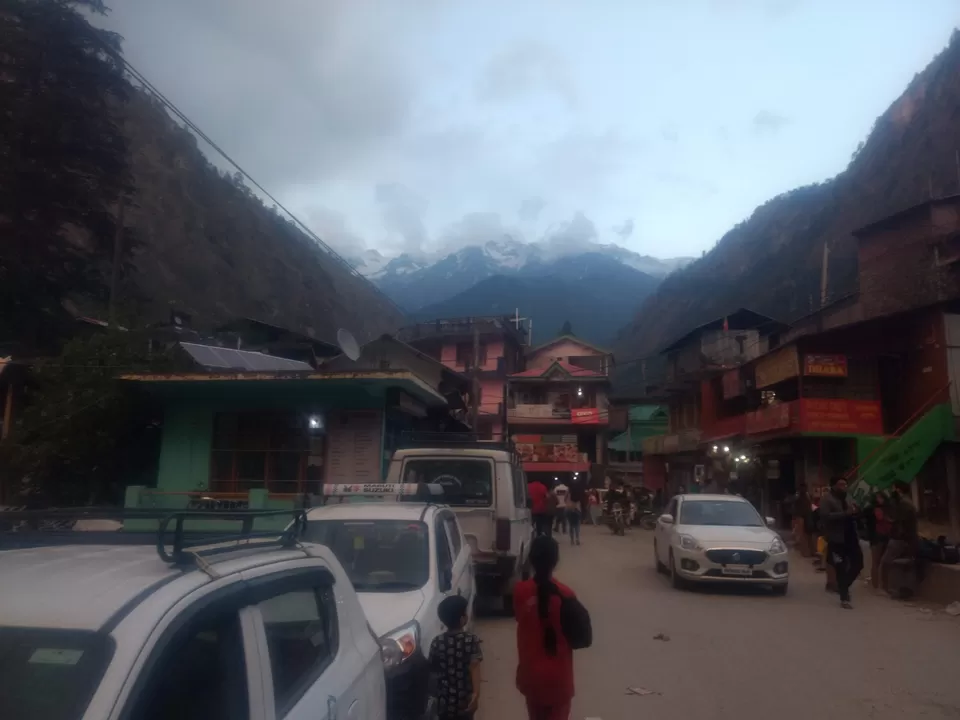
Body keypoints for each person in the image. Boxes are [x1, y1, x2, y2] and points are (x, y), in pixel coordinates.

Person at [514, 535, 581, 720]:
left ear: (532, 559)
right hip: (559, 678)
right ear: (556, 561)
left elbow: (520, 618)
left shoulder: (520, 591)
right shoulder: (566, 594)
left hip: (531, 676)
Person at [428, 595, 483, 719]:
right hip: (465, 700)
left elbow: (432, 672)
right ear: (463, 619)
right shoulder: (470, 640)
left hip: (444, 701)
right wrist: (476, 694)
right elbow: (474, 667)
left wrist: (434, 696)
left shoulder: (437, 641)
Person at [819, 476, 863, 609]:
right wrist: (845, 513)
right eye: (840, 484)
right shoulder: (827, 499)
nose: (843, 487)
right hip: (836, 538)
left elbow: (853, 513)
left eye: (845, 484)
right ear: (834, 486)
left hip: (851, 537)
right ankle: (844, 597)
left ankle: (843, 586)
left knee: (858, 564)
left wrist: (856, 512)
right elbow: (826, 517)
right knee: (841, 567)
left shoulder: (848, 498)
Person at [881, 480, 920, 597]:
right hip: (909, 538)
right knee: (905, 565)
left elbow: (897, 521)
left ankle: (885, 588)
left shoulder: (903, 504)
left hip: (900, 539)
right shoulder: (908, 502)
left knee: (885, 563)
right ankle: (904, 589)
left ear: (898, 490)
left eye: (893, 489)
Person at [867, 491, 893, 590]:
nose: (880, 500)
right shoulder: (873, 509)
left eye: (881, 497)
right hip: (876, 537)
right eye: (878, 497)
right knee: (876, 561)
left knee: (882, 562)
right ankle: (875, 585)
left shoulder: (886, 508)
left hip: (885, 536)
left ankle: (882, 585)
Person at [792, 484, 814, 558]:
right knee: (802, 535)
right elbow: (795, 506)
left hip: (808, 515)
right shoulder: (798, 496)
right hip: (801, 516)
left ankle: (811, 551)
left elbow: (809, 505)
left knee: (808, 534)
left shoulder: (807, 495)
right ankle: (805, 552)